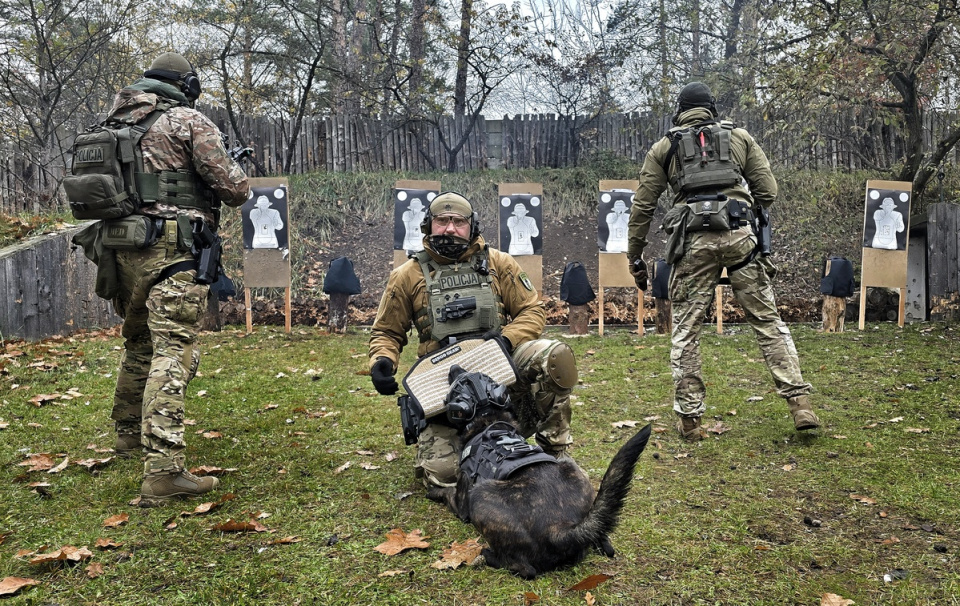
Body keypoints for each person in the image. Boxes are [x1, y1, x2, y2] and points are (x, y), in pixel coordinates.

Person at [627, 81, 820, 440]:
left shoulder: (663, 147)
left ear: (679, 110)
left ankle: (689, 420)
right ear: (712, 109)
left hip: (693, 243)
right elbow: (768, 192)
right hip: (740, 237)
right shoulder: (740, 137)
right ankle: (800, 404)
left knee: (687, 331)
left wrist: (634, 256)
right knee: (767, 320)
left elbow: (643, 207)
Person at [106, 52, 249, 504]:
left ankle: (129, 434)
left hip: (120, 245)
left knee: (139, 342)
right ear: (186, 84)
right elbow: (235, 190)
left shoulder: (113, 121)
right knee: (173, 347)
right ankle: (163, 471)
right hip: (172, 246)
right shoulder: (187, 120)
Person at [368, 192, 578, 491]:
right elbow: (387, 332)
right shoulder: (407, 275)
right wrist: (382, 361)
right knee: (446, 478)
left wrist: (506, 341)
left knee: (555, 355)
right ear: (429, 225)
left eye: (458, 222)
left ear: (472, 226)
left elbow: (532, 310)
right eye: (442, 221)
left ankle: (554, 451)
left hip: (500, 368)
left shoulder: (499, 264)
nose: (450, 228)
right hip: (443, 384)